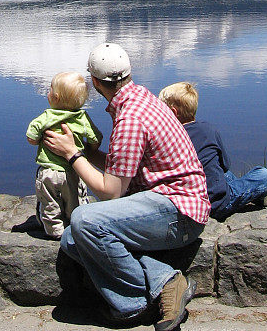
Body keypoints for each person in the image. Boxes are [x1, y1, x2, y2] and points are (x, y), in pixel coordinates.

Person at [44, 43, 210, 331]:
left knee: (84, 220)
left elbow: (110, 191)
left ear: (95, 82)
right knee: (72, 238)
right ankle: (166, 280)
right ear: (128, 74)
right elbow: (127, 166)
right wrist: (90, 152)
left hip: (178, 212)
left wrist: (72, 154)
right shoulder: (140, 100)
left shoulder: (130, 117)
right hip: (169, 204)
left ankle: (133, 303)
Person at [158, 82, 267, 222]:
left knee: (222, 174)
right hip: (218, 202)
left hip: (190, 202)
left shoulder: (168, 137)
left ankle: (250, 194)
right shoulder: (208, 130)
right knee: (262, 175)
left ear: (173, 113)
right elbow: (225, 165)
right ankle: (259, 194)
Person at [26, 71, 102, 239]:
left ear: (56, 97)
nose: (48, 92)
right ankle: (74, 227)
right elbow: (96, 139)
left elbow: (31, 137)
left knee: (49, 202)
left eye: (50, 89)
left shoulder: (46, 116)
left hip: (48, 171)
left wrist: (39, 139)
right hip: (74, 170)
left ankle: (55, 231)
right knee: (75, 201)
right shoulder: (82, 118)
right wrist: (88, 150)